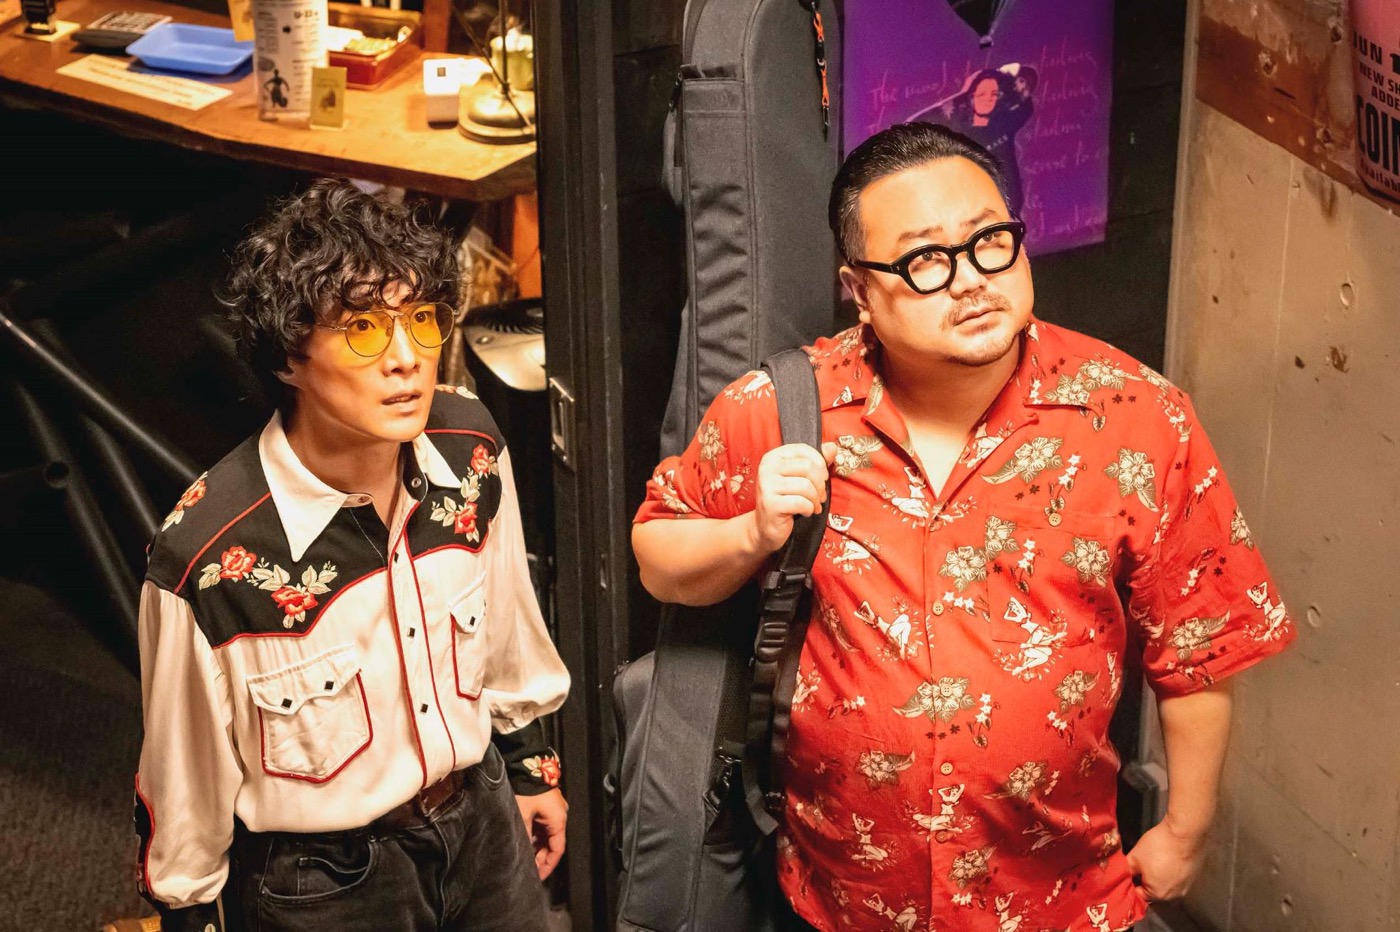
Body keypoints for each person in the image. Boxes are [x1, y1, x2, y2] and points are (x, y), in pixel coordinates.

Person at [632, 122, 1294, 932]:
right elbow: (659, 557)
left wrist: (1186, 828)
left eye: (990, 242)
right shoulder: (781, 411)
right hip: (843, 900)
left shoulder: (1135, 416)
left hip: (1060, 901)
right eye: (925, 261)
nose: (972, 280)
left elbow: (1200, 644)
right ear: (859, 290)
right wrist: (751, 534)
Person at [134, 179, 570, 931]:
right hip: (327, 882)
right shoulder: (209, 556)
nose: (408, 359)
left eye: (423, 320)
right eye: (363, 327)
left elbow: (506, 628)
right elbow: (185, 786)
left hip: (483, 819)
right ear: (288, 356)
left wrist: (530, 768)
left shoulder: (470, 448)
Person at [913, 66, 1036, 215]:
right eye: (982, 94)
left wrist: (1009, 85)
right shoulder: (959, 133)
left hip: (1009, 210)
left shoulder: (1004, 123)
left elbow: (1025, 105)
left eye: (994, 94)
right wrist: (962, 95)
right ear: (970, 97)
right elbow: (915, 125)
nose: (988, 99)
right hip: (976, 213)